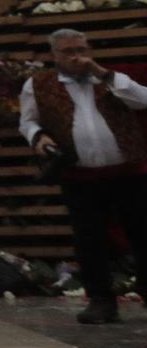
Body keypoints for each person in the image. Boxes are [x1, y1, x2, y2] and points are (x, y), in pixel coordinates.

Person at [20, 29, 147, 325]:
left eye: (81, 48)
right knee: (90, 240)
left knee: (143, 233)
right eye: (68, 51)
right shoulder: (39, 84)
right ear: (55, 55)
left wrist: (102, 73)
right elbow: (27, 121)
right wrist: (38, 138)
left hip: (128, 171)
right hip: (80, 176)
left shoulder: (111, 79)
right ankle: (101, 300)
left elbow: (143, 99)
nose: (77, 56)